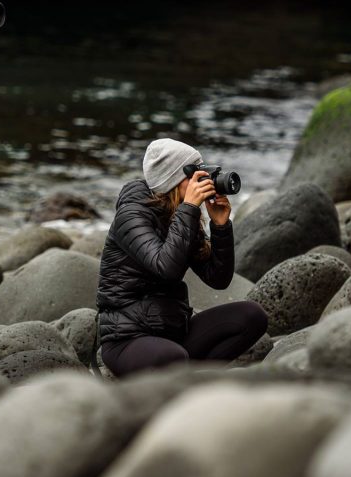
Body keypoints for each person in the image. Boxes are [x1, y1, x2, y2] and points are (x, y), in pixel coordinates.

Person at [96, 138, 268, 377]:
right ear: (173, 180)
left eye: (202, 170)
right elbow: (166, 268)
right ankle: (187, 380)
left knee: (252, 316)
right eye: (194, 172)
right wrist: (189, 209)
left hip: (174, 331)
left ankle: (193, 380)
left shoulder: (179, 212)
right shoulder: (131, 216)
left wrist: (220, 226)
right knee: (173, 357)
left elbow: (218, 279)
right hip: (127, 337)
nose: (203, 179)